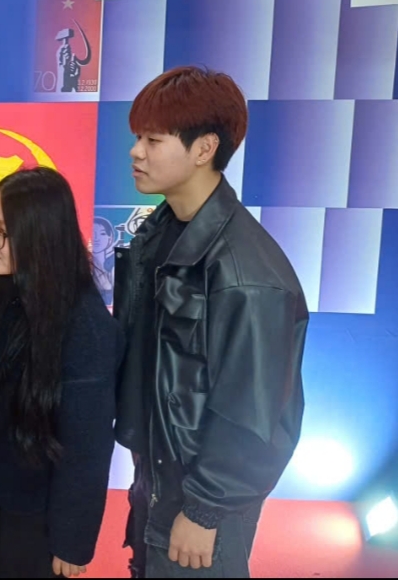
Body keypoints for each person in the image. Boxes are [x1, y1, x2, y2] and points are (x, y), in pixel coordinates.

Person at [113, 66, 308, 578]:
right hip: (159, 478)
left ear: (204, 148)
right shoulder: (159, 236)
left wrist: (205, 509)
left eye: (153, 140)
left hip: (205, 503)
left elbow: (255, 413)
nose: (135, 152)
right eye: (137, 138)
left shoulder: (247, 272)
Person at [0, 168, 121, 579]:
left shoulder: (84, 325)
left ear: (41, 238)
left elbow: (87, 447)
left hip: (41, 513)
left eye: (3, 232)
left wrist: (73, 539)